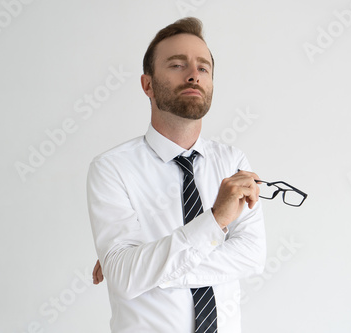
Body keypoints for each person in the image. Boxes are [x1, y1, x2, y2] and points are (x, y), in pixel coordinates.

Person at [87, 17, 266, 333]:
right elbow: (125, 278)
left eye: (203, 67)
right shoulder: (111, 169)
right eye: (177, 65)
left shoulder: (233, 162)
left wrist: (149, 267)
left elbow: (252, 257)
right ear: (148, 85)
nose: (194, 75)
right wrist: (214, 221)